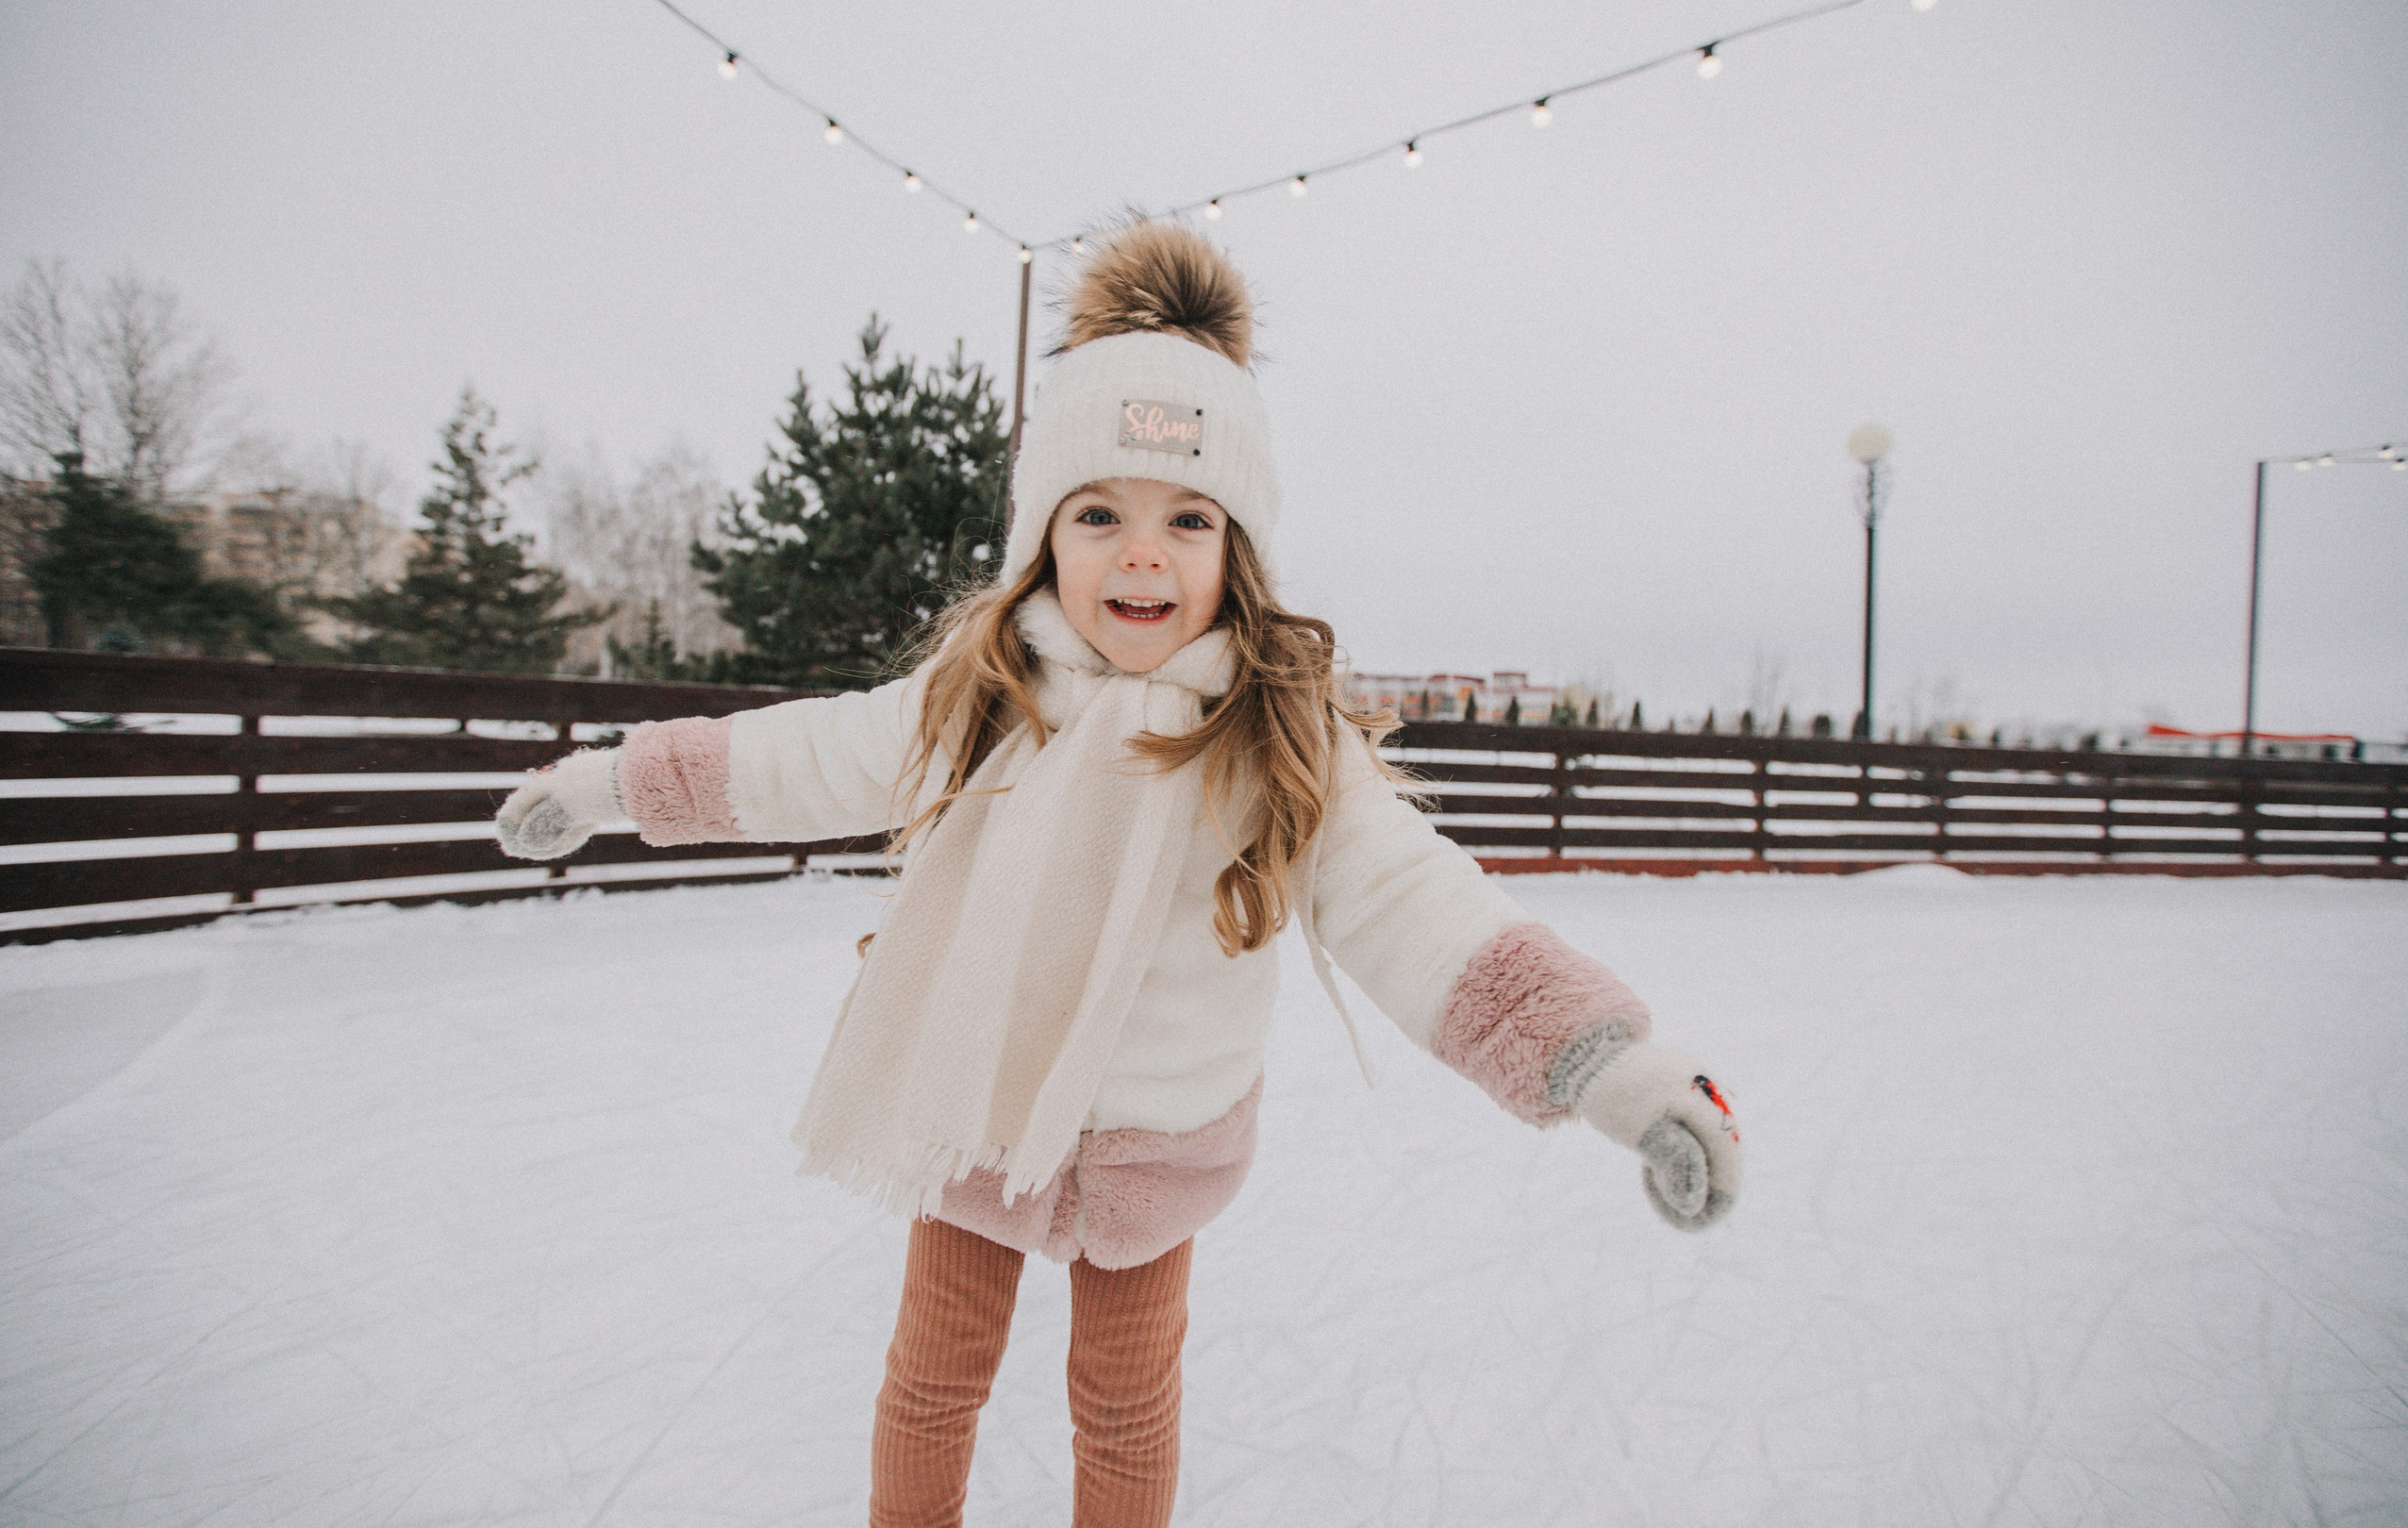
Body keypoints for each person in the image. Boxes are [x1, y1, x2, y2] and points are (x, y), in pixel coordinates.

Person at [493, 221, 1743, 1528]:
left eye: (1187, 519)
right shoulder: (984, 693)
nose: (1142, 553)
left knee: (1128, 1405)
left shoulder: (1271, 734)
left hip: (1161, 1136)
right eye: (1099, 514)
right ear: (1045, 541)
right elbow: (803, 755)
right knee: (932, 1380)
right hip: (981, 1093)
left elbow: (1412, 904)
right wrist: (608, 784)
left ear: (1236, 553)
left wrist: (1609, 1068)